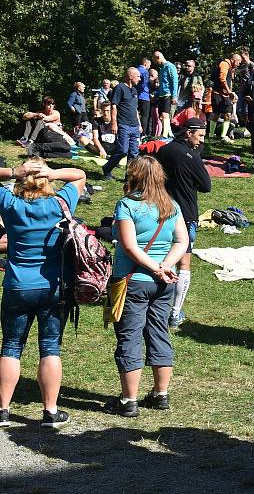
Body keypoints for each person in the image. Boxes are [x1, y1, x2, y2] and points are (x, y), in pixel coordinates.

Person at [0, 160, 86, 429]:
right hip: (53, 286)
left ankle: (2, 410)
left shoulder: (10, 205)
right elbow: (80, 175)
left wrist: (14, 171)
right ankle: (50, 410)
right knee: (50, 347)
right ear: (47, 181)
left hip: (17, 284)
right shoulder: (60, 204)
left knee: (11, 346)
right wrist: (54, 172)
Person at [102, 157, 188, 417]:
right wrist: (166, 266)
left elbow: (129, 246)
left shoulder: (127, 205)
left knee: (130, 337)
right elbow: (182, 241)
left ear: (134, 176)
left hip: (133, 281)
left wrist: (153, 267)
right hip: (164, 283)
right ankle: (160, 394)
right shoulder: (171, 206)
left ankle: (129, 400)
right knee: (159, 333)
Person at [156, 118, 211, 328]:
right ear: (189, 133)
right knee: (183, 264)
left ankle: (158, 305)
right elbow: (206, 186)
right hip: (186, 213)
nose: (201, 141)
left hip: (161, 211)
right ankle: (175, 313)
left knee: (161, 258)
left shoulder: (164, 150)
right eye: (200, 136)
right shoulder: (192, 157)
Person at [103, 67, 143, 180]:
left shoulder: (134, 91)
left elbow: (135, 109)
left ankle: (129, 177)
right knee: (122, 151)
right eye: (138, 76)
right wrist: (114, 123)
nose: (140, 79)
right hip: (123, 124)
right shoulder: (119, 88)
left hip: (134, 125)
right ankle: (107, 168)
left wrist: (139, 124)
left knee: (134, 153)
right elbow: (114, 106)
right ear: (130, 76)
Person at [210, 53, 243, 142]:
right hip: (218, 93)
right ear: (234, 60)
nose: (239, 64)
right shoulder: (224, 64)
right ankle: (211, 135)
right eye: (239, 62)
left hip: (225, 95)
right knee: (216, 114)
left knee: (228, 113)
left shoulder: (231, 68)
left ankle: (223, 135)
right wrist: (229, 92)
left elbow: (229, 81)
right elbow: (222, 79)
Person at [153, 51, 179, 138]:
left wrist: (174, 96)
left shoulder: (170, 66)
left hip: (167, 94)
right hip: (161, 94)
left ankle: (165, 135)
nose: (155, 62)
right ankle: (170, 133)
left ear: (158, 57)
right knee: (161, 116)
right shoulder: (161, 69)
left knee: (165, 115)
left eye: (155, 60)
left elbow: (175, 81)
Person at [136, 58, 152, 138]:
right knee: (145, 115)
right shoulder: (145, 72)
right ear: (145, 64)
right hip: (144, 96)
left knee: (136, 114)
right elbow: (144, 83)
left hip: (136, 96)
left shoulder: (135, 70)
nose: (149, 67)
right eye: (149, 65)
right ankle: (143, 134)